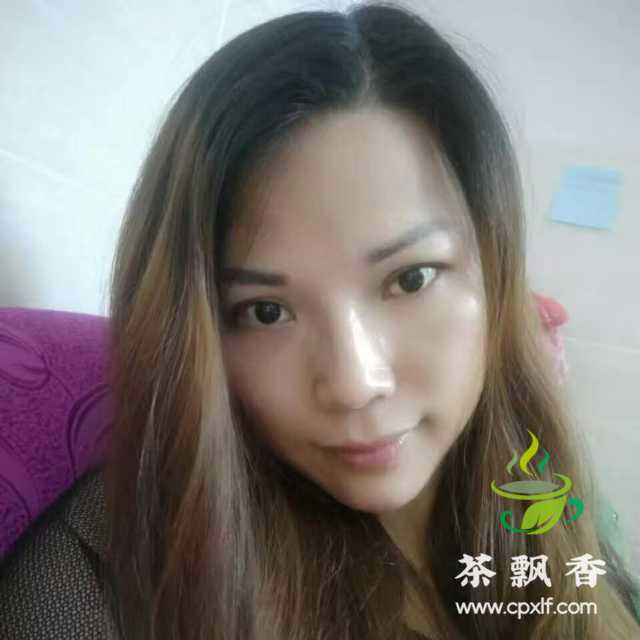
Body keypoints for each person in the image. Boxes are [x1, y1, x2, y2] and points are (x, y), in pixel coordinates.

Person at [1, 2, 638, 639]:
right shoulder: (102, 587)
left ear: (493, 272)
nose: (355, 384)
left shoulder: (546, 493)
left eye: (410, 279)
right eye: (266, 312)